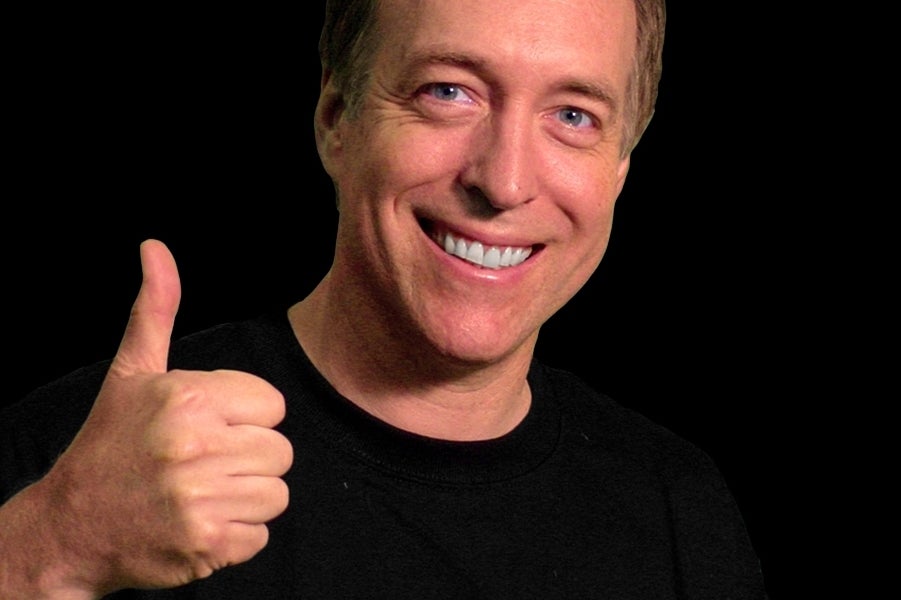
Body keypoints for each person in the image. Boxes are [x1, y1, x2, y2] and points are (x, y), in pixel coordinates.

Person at [0, 0, 768, 597]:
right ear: (337, 120)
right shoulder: (80, 460)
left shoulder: (679, 507)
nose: (504, 182)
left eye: (573, 116)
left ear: (620, 168)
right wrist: (52, 549)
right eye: (448, 92)